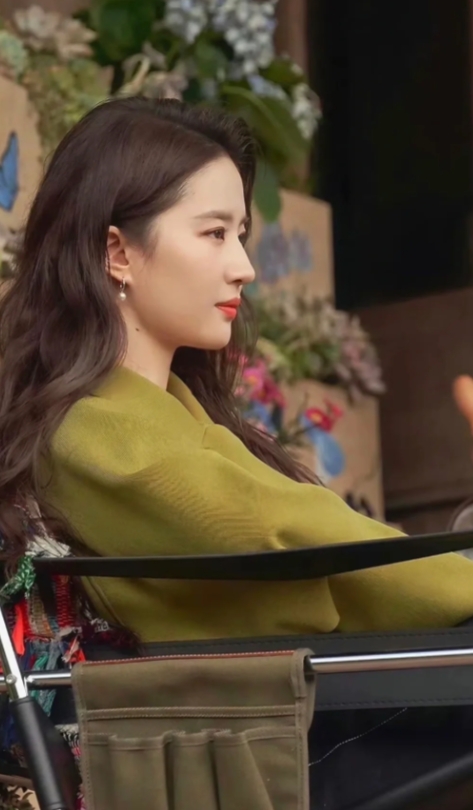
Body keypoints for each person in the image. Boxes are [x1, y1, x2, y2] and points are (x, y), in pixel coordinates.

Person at [0, 97, 472, 643]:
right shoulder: (95, 430)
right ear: (118, 253)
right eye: (214, 233)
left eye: (240, 234)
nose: (244, 268)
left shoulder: (166, 418)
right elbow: (282, 533)